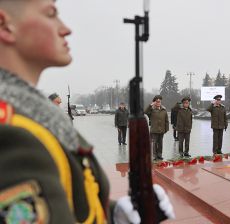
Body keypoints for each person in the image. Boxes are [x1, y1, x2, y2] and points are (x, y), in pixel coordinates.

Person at [0, 1, 174, 223]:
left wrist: (112, 213)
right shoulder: (12, 132)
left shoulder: (34, 115)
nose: (66, 28)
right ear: (5, 25)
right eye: (51, 13)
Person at [145, 95, 169, 160]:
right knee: (155, 143)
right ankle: (154, 156)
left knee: (160, 143)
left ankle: (159, 155)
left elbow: (166, 120)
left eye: (159, 101)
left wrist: (166, 129)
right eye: (157, 101)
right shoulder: (152, 110)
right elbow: (145, 112)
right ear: (155, 102)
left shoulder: (164, 110)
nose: (158, 103)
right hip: (154, 130)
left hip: (162, 130)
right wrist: (151, 105)